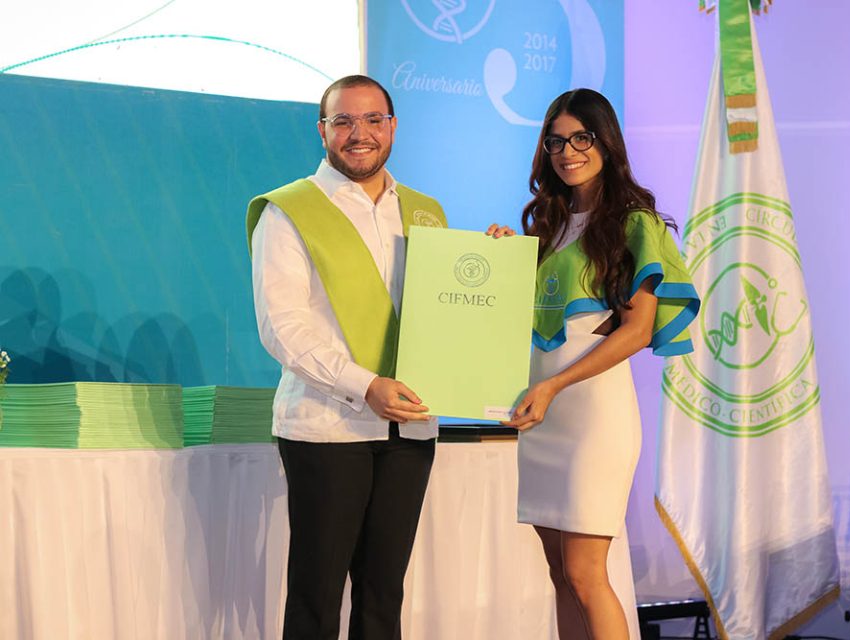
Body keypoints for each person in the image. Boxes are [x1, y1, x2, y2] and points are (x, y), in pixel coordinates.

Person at [489, 88, 700, 640]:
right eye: (556, 142)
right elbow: (528, 319)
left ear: (606, 142)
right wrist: (504, 260)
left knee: (586, 574)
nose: (568, 152)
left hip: (592, 417)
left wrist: (554, 385)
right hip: (540, 415)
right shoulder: (548, 224)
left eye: (581, 138)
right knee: (560, 575)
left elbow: (636, 331)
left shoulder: (634, 223)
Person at [246, 75, 447, 640]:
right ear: (323, 130)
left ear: (393, 127)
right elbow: (283, 327)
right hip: (326, 426)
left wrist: (495, 261)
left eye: (373, 119)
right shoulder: (288, 211)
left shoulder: (426, 211)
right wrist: (365, 385)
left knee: (384, 597)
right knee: (317, 597)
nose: (360, 133)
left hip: (410, 427)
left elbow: (448, 309)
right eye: (344, 121)